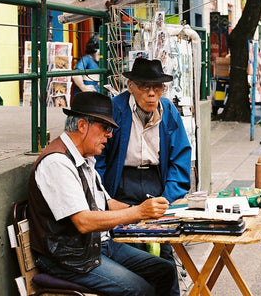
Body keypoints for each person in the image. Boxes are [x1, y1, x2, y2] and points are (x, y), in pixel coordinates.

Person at [28, 91, 175, 296]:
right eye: (105, 128)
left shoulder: (85, 158)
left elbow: (106, 203)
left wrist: (156, 213)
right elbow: (84, 222)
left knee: (164, 270)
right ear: (82, 126)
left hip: (98, 246)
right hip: (68, 257)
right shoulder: (57, 162)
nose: (110, 135)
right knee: (139, 290)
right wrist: (139, 212)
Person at [95, 58, 192, 296]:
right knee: (126, 246)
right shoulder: (115, 109)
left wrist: (168, 196)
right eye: (144, 87)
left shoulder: (168, 111)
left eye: (157, 88)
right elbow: (98, 158)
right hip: (120, 184)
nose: (151, 94)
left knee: (163, 250)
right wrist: (104, 196)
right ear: (131, 86)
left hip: (155, 183)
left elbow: (180, 157)